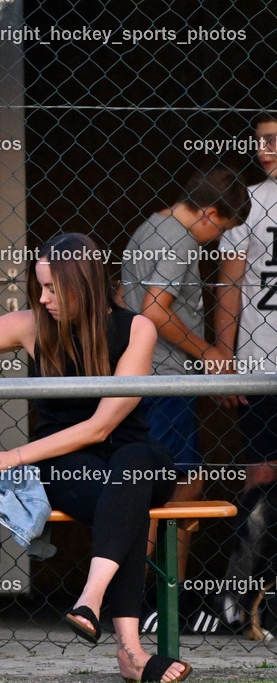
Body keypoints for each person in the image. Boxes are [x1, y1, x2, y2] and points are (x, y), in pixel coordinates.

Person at [0, 233, 189, 683]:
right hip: (68, 465)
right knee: (127, 502)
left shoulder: (137, 328)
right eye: (39, 288)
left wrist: (10, 457)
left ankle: (91, 598)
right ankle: (131, 653)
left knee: (135, 465)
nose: (43, 299)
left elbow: (101, 427)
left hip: (134, 457)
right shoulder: (32, 325)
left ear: (83, 284)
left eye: (52, 289)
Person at [119, 167, 247, 583]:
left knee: (160, 483)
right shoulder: (182, 240)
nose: (217, 240)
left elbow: (123, 297)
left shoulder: (150, 226)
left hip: (138, 373)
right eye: (222, 229)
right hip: (165, 378)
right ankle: (148, 595)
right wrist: (209, 353)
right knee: (181, 485)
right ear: (209, 213)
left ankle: (148, 596)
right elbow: (156, 310)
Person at [214, 113, 277, 621]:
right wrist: (223, 357)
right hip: (261, 365)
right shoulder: (247, 203)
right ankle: (238, 601)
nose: (265, 150)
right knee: (261, 479)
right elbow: (229, 284)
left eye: (274, 140)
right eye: (260, 142)